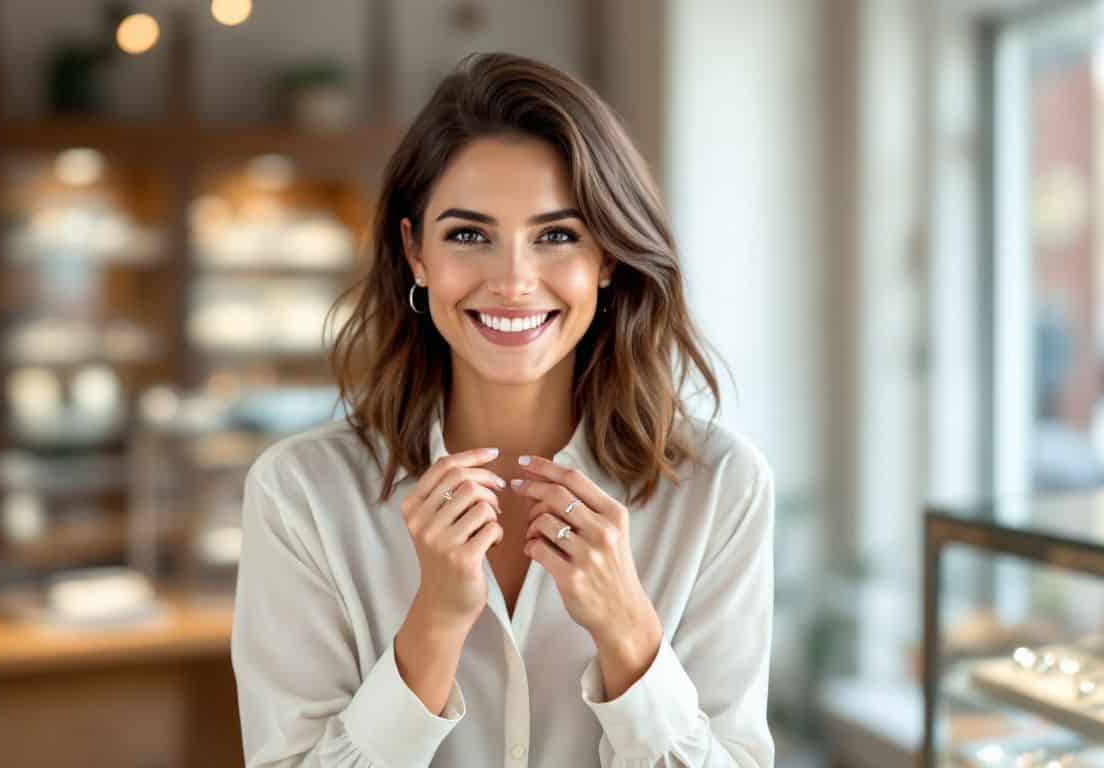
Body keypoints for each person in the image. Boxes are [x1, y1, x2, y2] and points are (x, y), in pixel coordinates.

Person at [231, 52, 774, 767]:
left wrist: (627, 632)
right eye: (468, 235)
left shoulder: (719, 488)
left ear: (607, 256)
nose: (515, 281)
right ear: (414, 252)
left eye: (557, 235)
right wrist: (434, 625)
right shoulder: (300, 494)